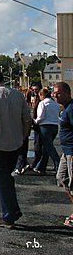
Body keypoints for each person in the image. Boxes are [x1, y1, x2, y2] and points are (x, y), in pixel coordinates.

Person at [0, 69, 32, 228]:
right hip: (16, 142)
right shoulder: (18, 94)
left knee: (2, 179)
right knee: (7, 176)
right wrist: (23, 136)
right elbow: (27, 119)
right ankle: (13, 207)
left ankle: (9, 216)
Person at [53, 82, 73, 228]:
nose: (55, 95)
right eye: (54, 92)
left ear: (67, 93)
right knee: (62, 178)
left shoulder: (71, 109)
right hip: (65, 152)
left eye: (58, 93)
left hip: (72, 152)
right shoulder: (64, 108)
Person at [33, 87, 61, 174]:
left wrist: (34, 122)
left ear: (42, 95)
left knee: (49, 148)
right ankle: (41, 167)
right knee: (47, 148)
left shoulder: (43, 103)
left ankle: (58, 165)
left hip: (45, 127)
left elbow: (41, 117)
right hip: (55, 126)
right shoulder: (56, 104)